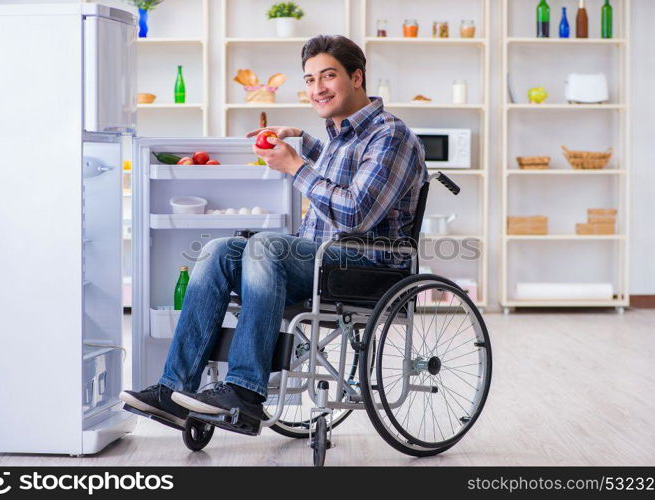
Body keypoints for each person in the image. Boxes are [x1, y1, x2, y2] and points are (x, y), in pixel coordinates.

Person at [119, 34, 427, 429]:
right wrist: (304, 141)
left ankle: (245, 392)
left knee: (265, 246)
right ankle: (173, 388)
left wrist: (295, 166)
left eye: (327, 77)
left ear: (357, 77)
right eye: (310, 80)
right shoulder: (340, 135)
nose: (317, 89)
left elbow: (354, 213)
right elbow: (345, 168)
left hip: (367, 269)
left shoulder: (392, 135)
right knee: (219, 250)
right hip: (320, 262)